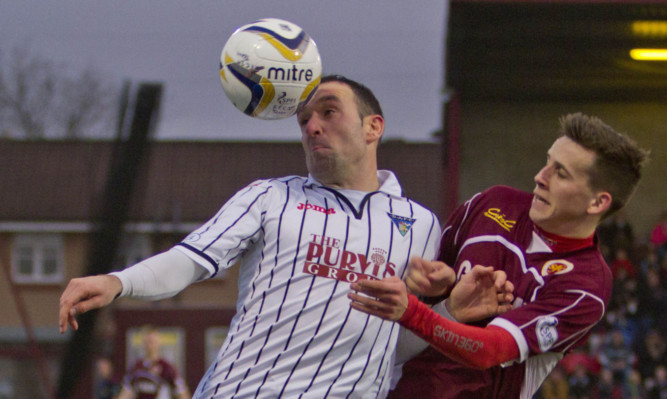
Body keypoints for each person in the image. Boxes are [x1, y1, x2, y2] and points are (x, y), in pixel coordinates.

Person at [58, 75, 445, 398]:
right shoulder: (271, 197)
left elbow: (393, 347)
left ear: (373, 126)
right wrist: (117, 281)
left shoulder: (422, 225)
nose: (312, 126)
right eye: (304, 119)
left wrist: (450, 313)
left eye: (329, 112)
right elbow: (191, 260)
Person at [348, 113, 649, 398]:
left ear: (597, 203)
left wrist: (411, 311)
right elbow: (427, 280)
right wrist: (440, 283)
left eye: (561, 174)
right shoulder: (492, 203)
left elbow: (488, 351)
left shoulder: (586, 286)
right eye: (548, 162)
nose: (540, 177)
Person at [116, 326, 190, 399]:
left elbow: (181, 392)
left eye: (152, 341)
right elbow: (127, 391)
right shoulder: (136, 366)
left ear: (158, 342)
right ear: (143, 343)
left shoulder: (167, 367)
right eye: (147, 342)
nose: (150, 345)